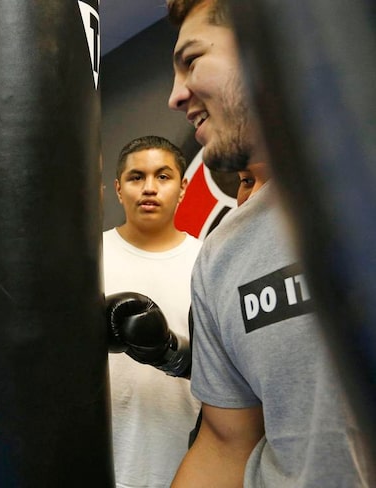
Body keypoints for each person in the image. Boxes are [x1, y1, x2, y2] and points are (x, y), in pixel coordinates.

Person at [165, 1, 372, 485]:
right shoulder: (220, 254)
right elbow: (225, 441)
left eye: (191, 60)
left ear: (273, 44)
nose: (175, 95)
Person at [103, 135, 202, 487]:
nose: (149, 188)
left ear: (183, 187)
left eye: (162, 176)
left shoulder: (208, 262)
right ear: (118, 189)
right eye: (135, 177)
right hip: (104, 456)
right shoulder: (87, 259)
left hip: (186, 459)